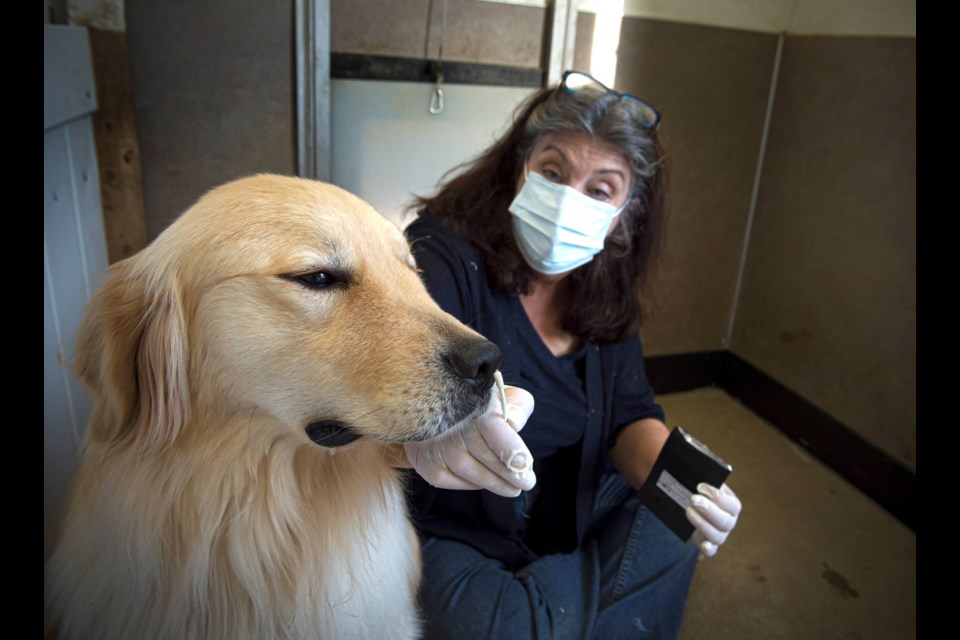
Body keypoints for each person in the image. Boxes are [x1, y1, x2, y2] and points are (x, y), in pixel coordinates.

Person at [393, 71, 741, 639]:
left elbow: (630, 416)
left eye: (600, 189)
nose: (567, 199)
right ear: (519, 172)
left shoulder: (602, 286)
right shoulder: (446, 256)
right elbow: (401, 376)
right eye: (552, 172)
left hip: (567, 497)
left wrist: (684, 486)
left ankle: (559, 612)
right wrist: (439, 431)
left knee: (674, 525)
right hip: (452, 521)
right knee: (517, 626)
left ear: (625, 214)